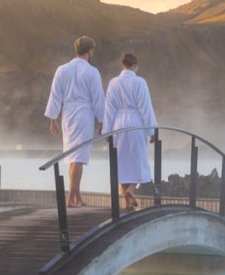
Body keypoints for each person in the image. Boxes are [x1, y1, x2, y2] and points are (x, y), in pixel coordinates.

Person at [44, 36, 105, 208]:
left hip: (68, 114)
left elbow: (55, 95)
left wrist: (53, 119)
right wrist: (102, 120)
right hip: (84, 114)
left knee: (73, 156)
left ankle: (77, 197)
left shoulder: (62, 69)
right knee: (78, 157)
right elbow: (98, 98)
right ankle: (71, 198)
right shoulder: (92, 72)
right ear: (89, 51)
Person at [103, 53, 157, 211]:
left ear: (123, 65)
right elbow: (145, 108)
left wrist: (107, 131)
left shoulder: (113, 83)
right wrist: (151, 130)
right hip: (135, 124)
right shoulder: (140, 82)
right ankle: (131, 189)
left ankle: (126, 204)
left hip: (118, 124)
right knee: (138, 159)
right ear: (135, 66)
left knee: (121, 162)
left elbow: (109, 109)